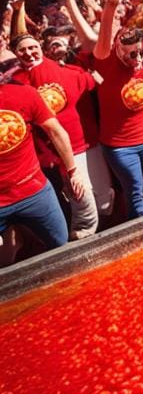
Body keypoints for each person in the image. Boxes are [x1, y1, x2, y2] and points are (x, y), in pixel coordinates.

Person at [10, 32, 100, 238]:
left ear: (40, 48)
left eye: (32, 47)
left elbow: (93, 81)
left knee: (84, 195)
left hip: (78, 146)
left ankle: (84, 234)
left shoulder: (64, 70)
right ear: (15, 54)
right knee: (66, 200)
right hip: (43, 155)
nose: (29, 53)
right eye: (22, 50)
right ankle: (74, 238)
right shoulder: (16, 82)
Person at [93, 0, 143, 219]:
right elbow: (103, 42)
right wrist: (110, 7)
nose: (137, 58)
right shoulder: (106, 63)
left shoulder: (142, 59)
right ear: (118, 51)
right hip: (121, 146)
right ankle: (141, 238)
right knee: (135, 192)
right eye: (131, 54)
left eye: (139, 52)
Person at [0, 58, 85, 250]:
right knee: (7, 258)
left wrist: (73, 171)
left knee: (60, 245)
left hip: (34, 190)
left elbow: (56, 132)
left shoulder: (24, 94)